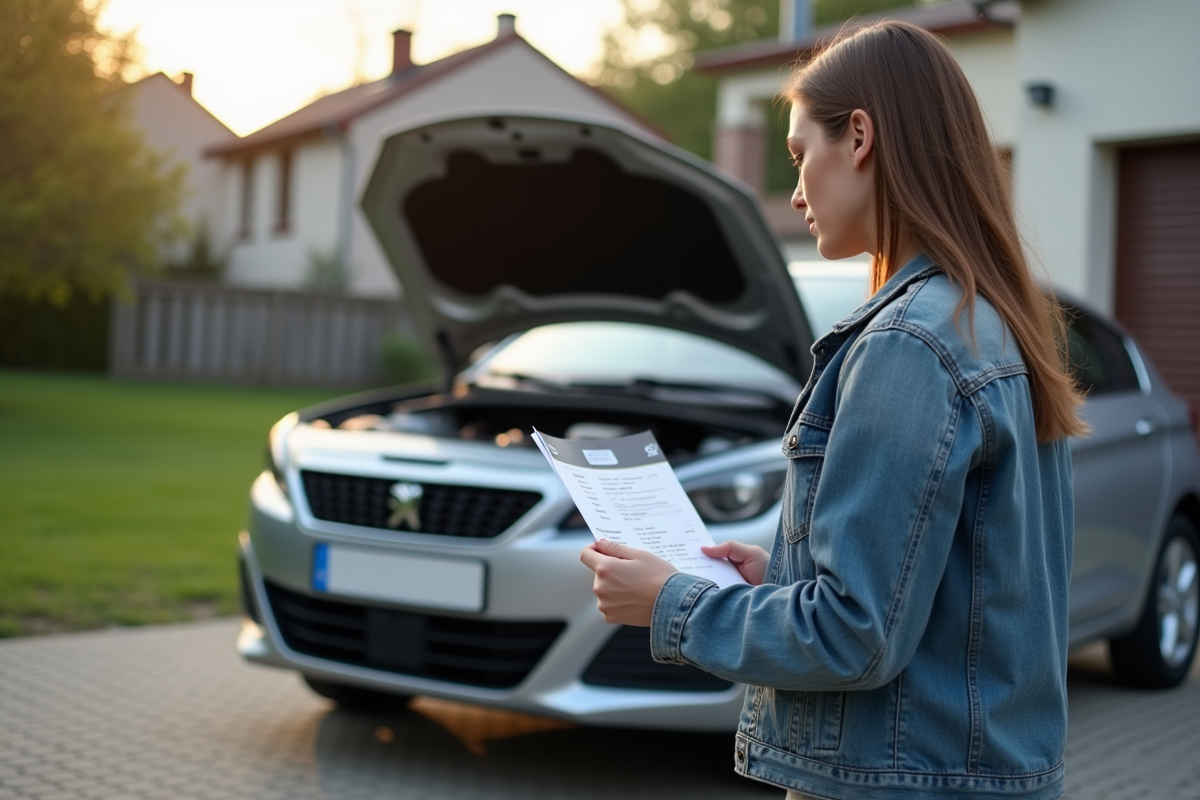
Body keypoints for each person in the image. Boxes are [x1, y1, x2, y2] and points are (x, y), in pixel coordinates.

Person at [579, 19, 1087, 800]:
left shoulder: (911, 345)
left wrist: (671, 603)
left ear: (859, 137)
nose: (793, 190)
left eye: (797, 153)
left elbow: (852, 635)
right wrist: (777, 574)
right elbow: (949, 583)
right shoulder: (988, 323)